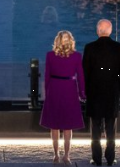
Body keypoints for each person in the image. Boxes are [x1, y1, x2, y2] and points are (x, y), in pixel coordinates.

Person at [82, 19, 120, 166]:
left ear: (97, 30)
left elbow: (85, 73)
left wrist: (84, 91)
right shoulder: (119, 48)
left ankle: (96, 158)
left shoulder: (89, 48)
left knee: (95, 128)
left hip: (94, 94)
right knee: (111, 128)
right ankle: (110, 157)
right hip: (111, 93)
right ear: (110, 31)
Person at [39, 30, 86, 165]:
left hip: (54, 89)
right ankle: (66, 156)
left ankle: (55, 155)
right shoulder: (77, 56)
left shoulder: (50, 55)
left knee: (54, 125)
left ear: (57, 41)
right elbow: (81, 77)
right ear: (70, 41)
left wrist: (47, 93)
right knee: (68, 126)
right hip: (69, 89)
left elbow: (47, 76)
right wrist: (82, 92)